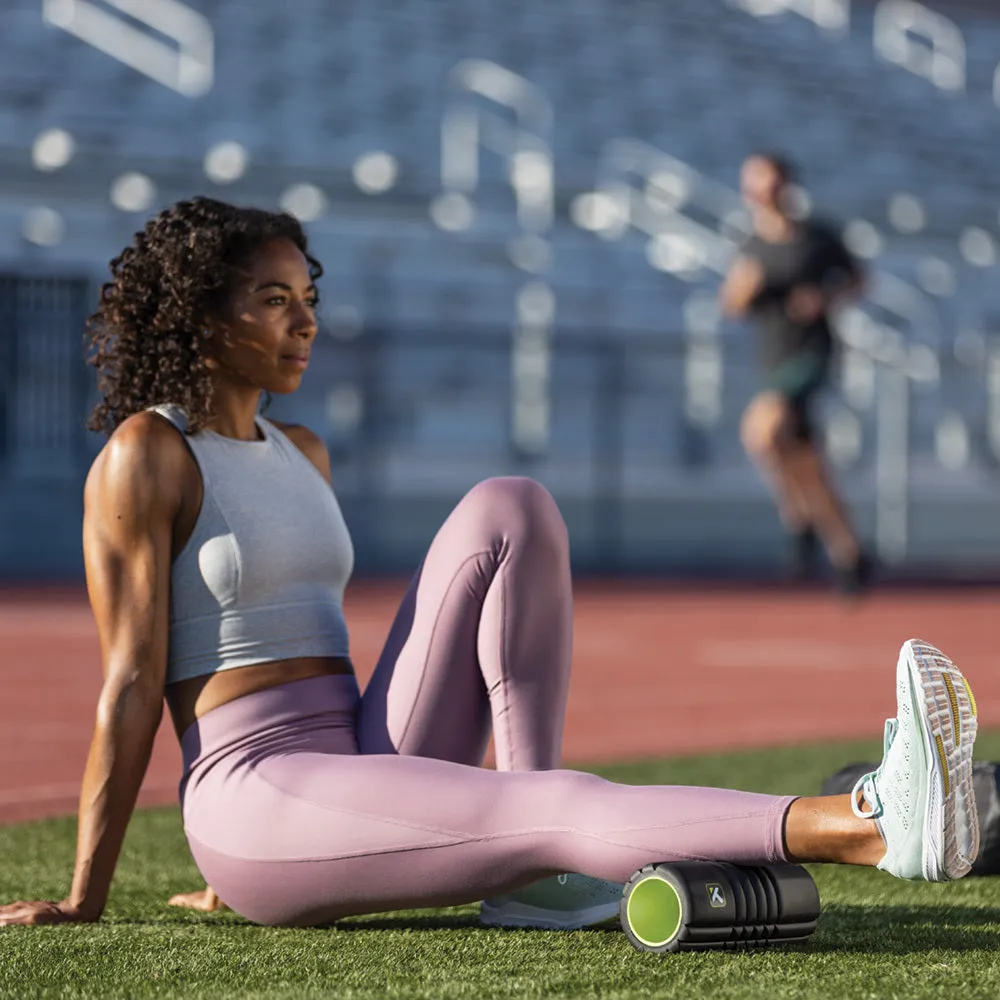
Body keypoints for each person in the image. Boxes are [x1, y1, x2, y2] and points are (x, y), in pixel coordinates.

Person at [0, 198, 979, 931]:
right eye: (273, 301)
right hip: (256, 783)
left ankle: (533, 878)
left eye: (309, 298)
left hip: (362, 749)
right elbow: (133, 682)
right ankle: (870, 822)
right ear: (204, 319)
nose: (304, 320)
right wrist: (88, 895)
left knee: (509, 504)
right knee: (552, 809)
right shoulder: (147, 451)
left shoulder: (302, 450)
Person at [720, 153, 870, 594]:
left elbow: (858, 280)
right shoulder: (751, 245)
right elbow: (732, 305)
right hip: (773, 357)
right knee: (806, 461)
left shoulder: (817, 237)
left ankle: (797, 519)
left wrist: (824, 296)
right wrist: (742, 293)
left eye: (767, 182)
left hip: (812, 355)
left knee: (761, 431)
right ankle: (849, 552)